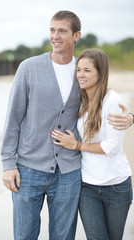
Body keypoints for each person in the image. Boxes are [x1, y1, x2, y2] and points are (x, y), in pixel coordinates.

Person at [1, 10, 133, 240]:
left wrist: (130, 116)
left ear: (76, 35)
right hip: (28, 169)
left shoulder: (81, 70)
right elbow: (13, 118)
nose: (55, 36)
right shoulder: (28, 68)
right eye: (52, 30)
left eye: (62, 31)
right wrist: (7, 163)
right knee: (24, 236)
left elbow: (102, 101)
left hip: (69, 174)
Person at [51, 48, 133, 240]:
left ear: (100, 73)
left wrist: (76, 145)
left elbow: (111, 148)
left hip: (116, 186)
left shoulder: (112, 100)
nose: (81, 75)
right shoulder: (79, 101)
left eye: (87, 70)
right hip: (87, 185)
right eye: (79, 70)